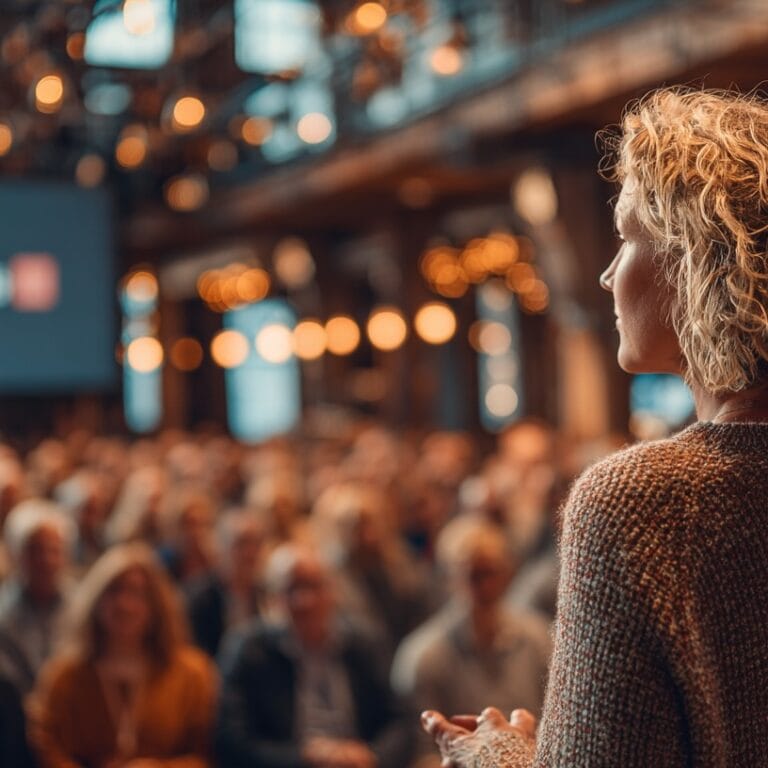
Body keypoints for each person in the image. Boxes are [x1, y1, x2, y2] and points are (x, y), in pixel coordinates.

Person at [424, 86, 768, 766]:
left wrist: (496, 754)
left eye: (628, 235)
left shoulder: (643, 503)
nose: (609, 273)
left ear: (698, 259)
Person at [215, 542, 413, 768]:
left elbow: (401, 721)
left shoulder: (364, 645)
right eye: (292, 589)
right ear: (272, 598)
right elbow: (232, 742)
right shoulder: (249, 651)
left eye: (312, 586)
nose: (304, 601)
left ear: (332, 591)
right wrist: (304, 757)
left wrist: (372, 756)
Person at [28, 543, 217, 768]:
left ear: (156, 604)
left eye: (137, 593)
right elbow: (46, 745)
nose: (124, 604)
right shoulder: (64, 675)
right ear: (95, 600)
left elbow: (207, 753)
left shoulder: (192, 674)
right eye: (114, 590)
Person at [395, 519, 550, 768]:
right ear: (449, 578)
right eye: (472, 576)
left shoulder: (539, 639)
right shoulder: (424, 656)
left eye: (490, 574)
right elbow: (424, 754)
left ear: (506, 574)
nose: (483, 588)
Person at [0, 499, 73, 695]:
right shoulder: (4, 612)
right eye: (35, 550)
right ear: (16, 554)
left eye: (54, 550)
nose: (46, 560)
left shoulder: (81, 605)